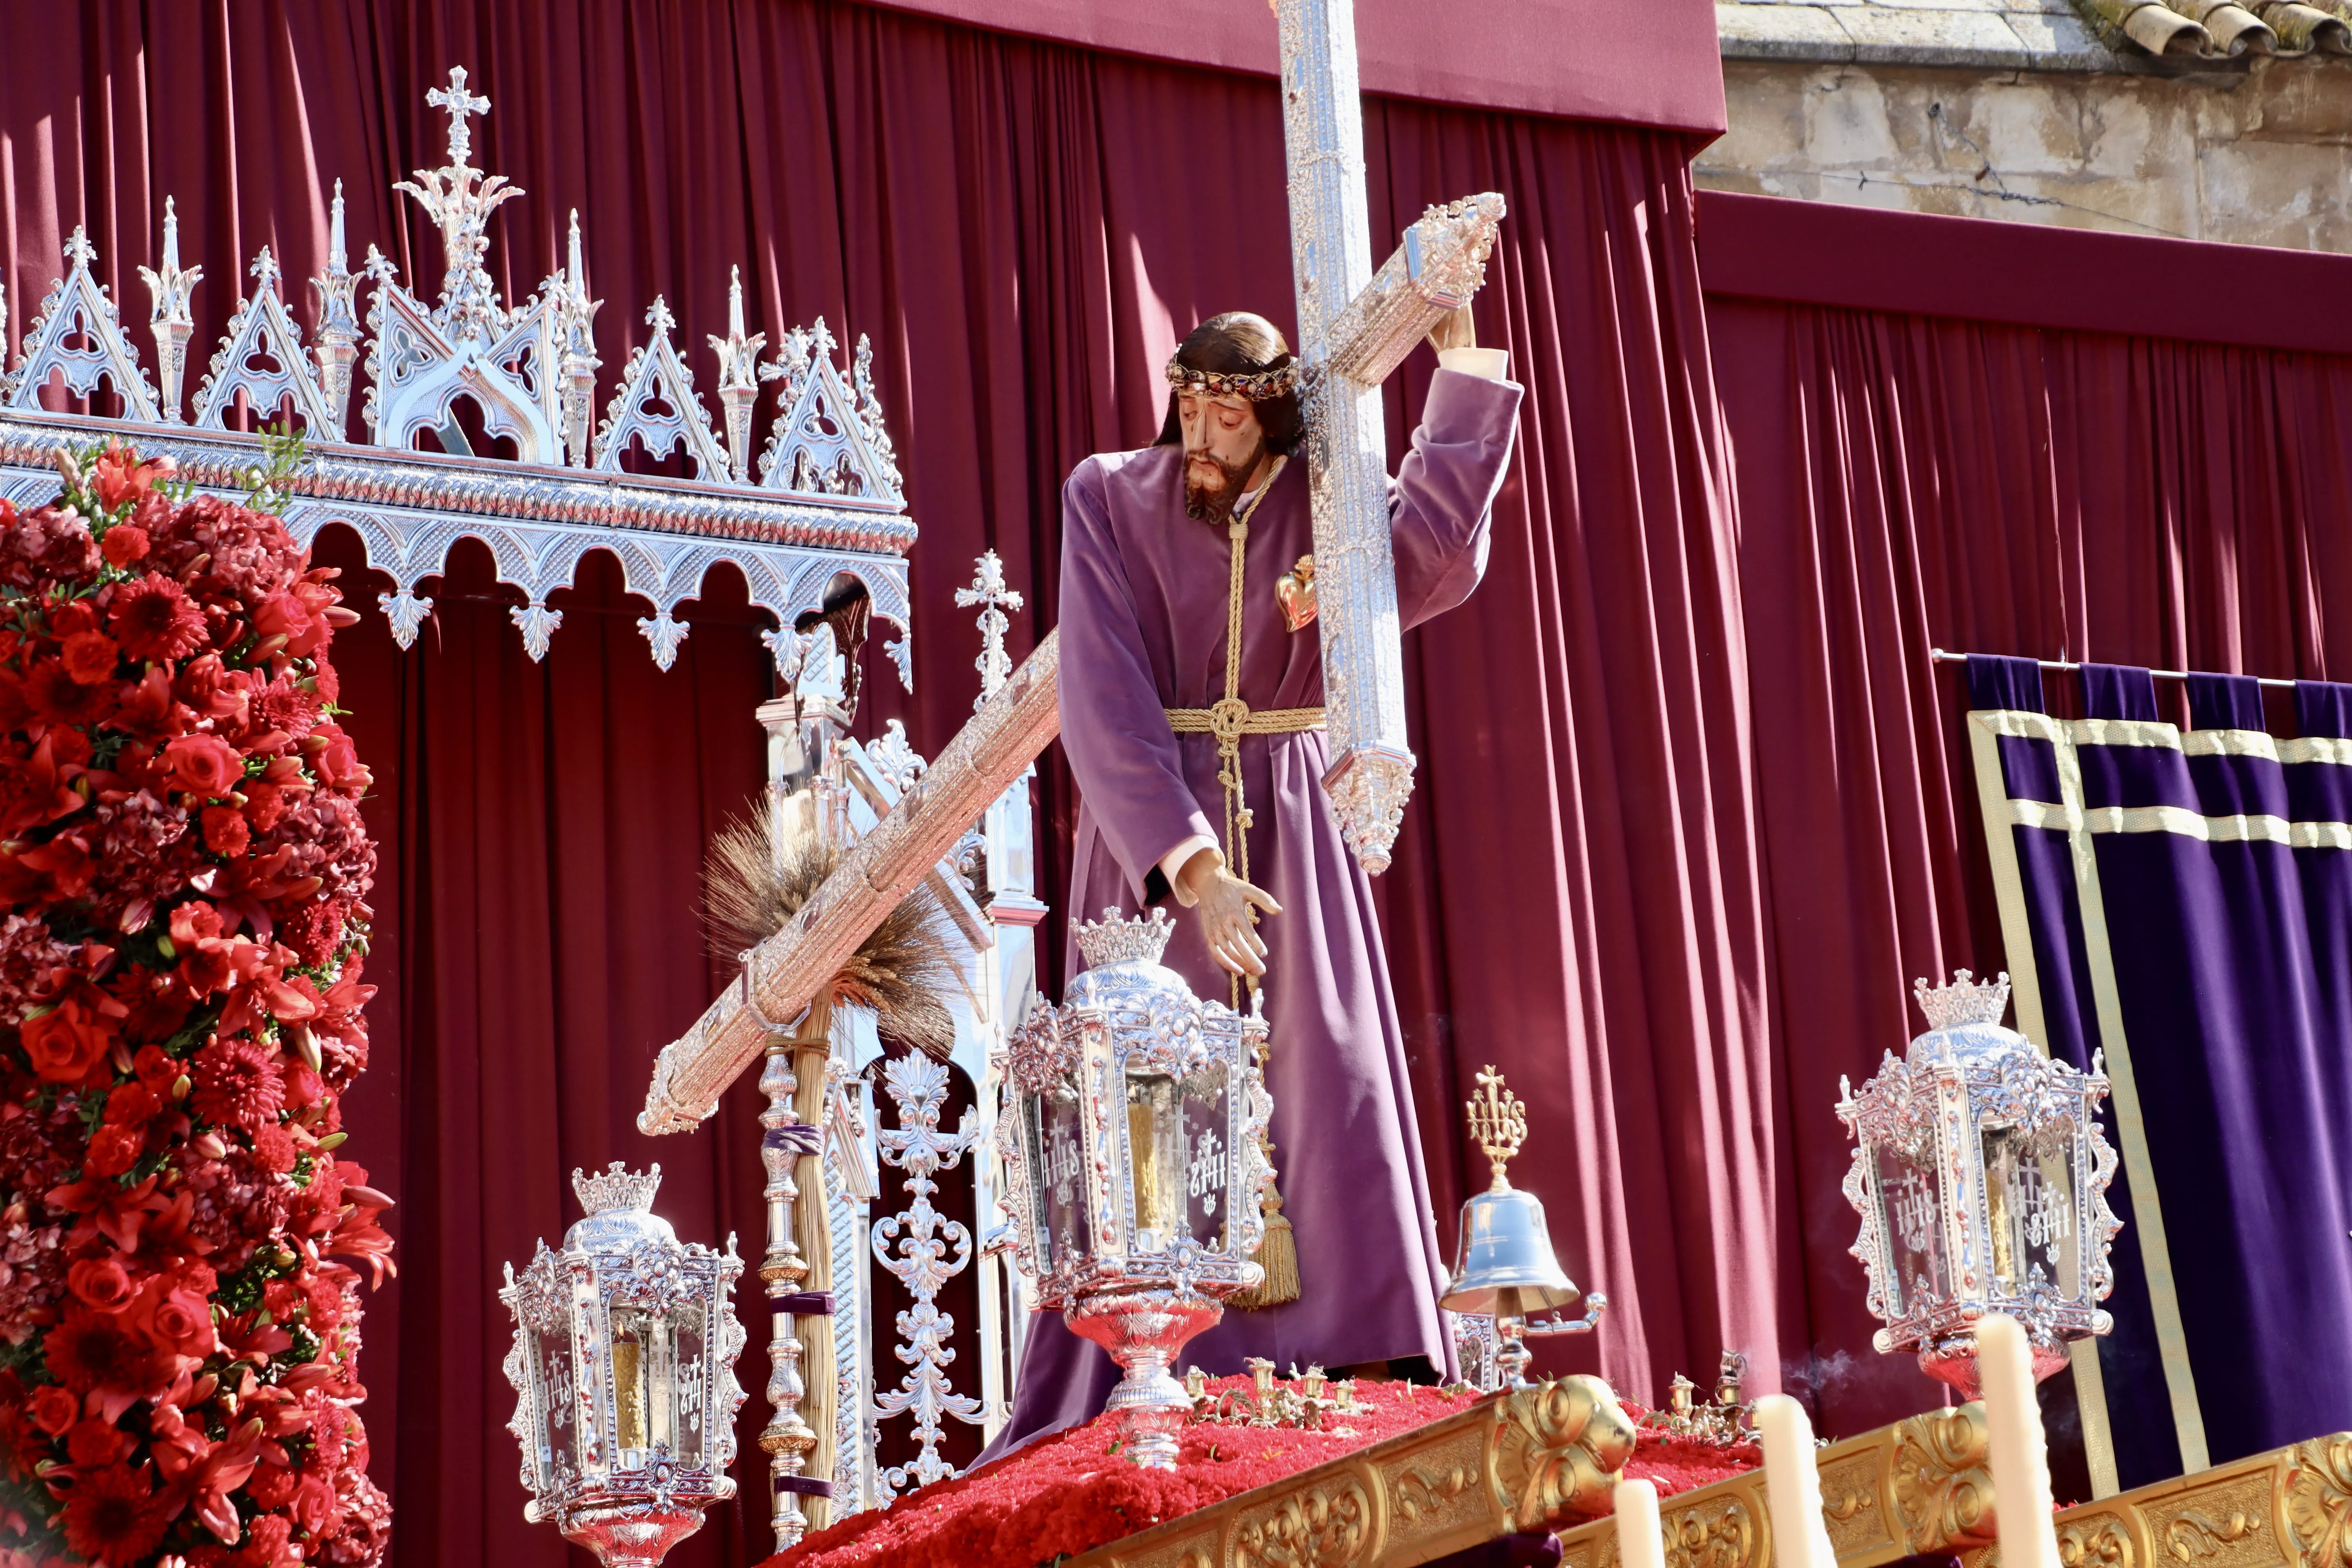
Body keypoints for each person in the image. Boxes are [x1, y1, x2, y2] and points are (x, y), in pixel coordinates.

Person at [985, 307, 1522, 1457]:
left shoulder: (1322, 504)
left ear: (1269, 406)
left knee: (1328, 1068)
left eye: (1226, 410)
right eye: (1187, 402)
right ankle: (1140, 1369)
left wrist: (1462, 348)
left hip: (1292, 818)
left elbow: (1435, 552)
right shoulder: (1111, 495)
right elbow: (1102, 691)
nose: (1201, 429)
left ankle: (1352, 1350)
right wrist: (1196, 871)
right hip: (1156, 851)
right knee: (1143, 1090)